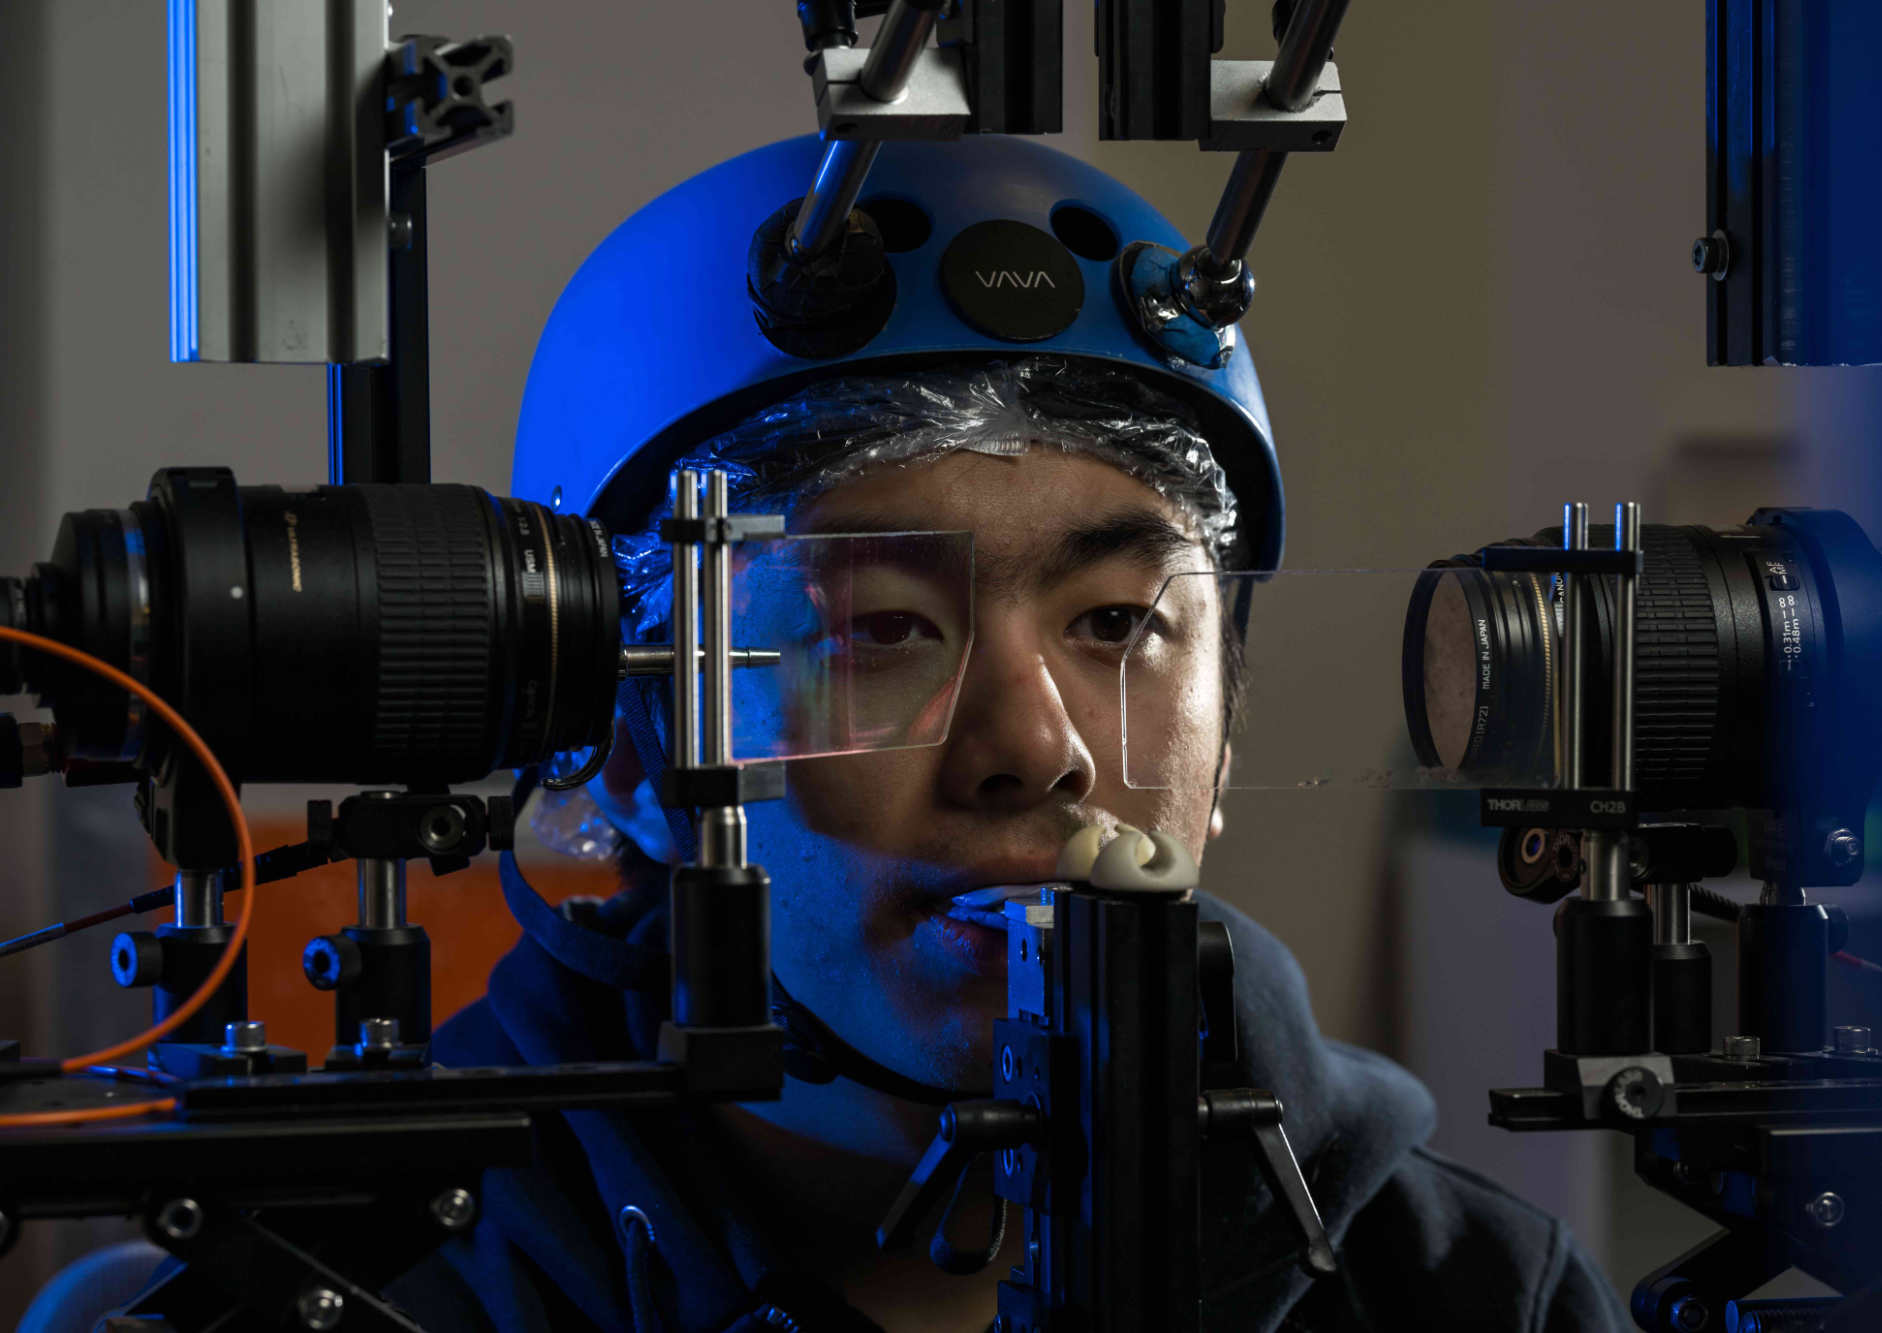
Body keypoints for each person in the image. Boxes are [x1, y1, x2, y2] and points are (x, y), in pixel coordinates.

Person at [25, 135, 1622, 1333]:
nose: (1035, 748)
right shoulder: (381, 1295)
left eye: (1120, 624)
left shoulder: (1470, 1296)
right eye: (881, 629)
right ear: (632, 743)